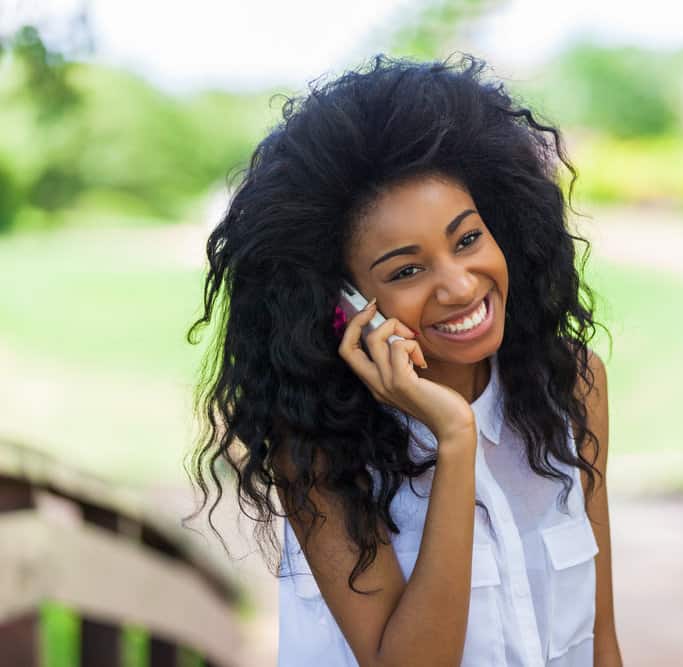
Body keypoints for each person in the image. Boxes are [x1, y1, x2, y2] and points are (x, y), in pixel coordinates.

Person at [185, 52, 622, 667]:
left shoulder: (572, 386)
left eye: (468, 239)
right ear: (344, 304)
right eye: (408, 270)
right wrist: (454, 436)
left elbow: (601, 640)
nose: (461, 287)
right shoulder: (315, 447)